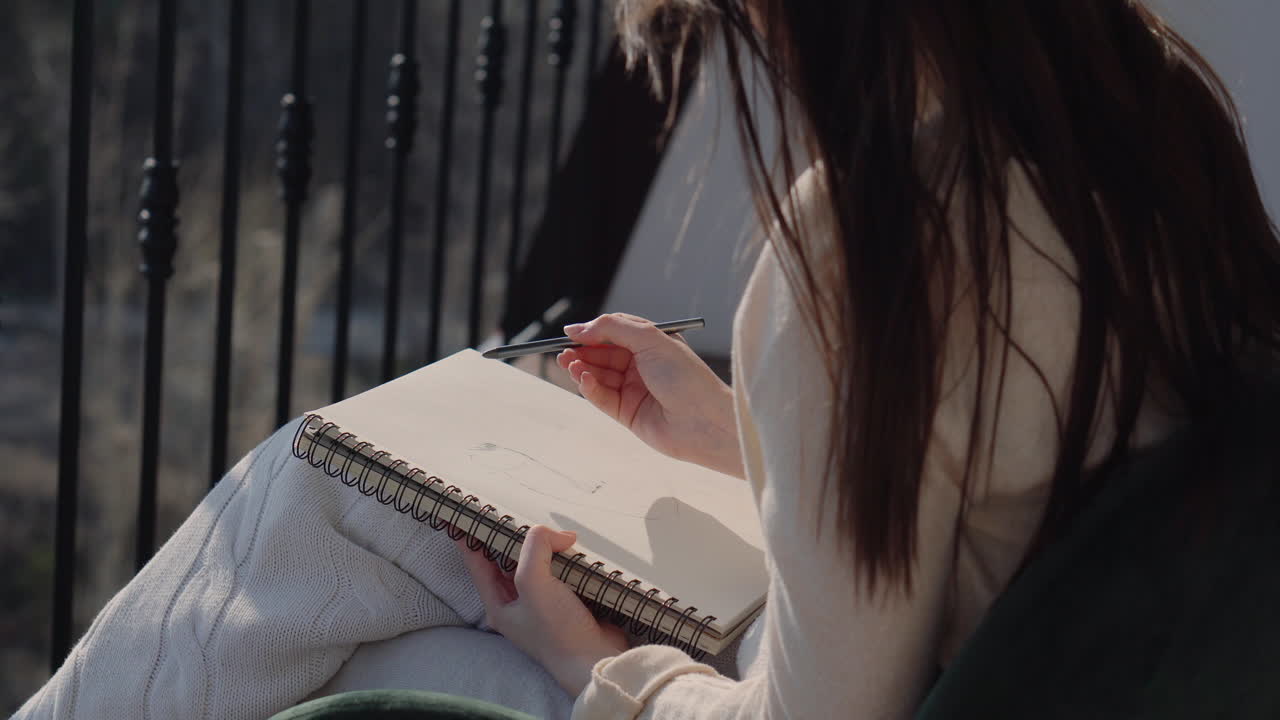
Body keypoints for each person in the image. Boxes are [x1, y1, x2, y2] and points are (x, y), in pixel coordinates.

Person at [19, 1, 1280, 718]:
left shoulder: (875, 248)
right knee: (336, 528)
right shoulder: (1156, 112)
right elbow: (1006, 464)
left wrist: (598, 668)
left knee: (316, 509)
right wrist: (746, 432)